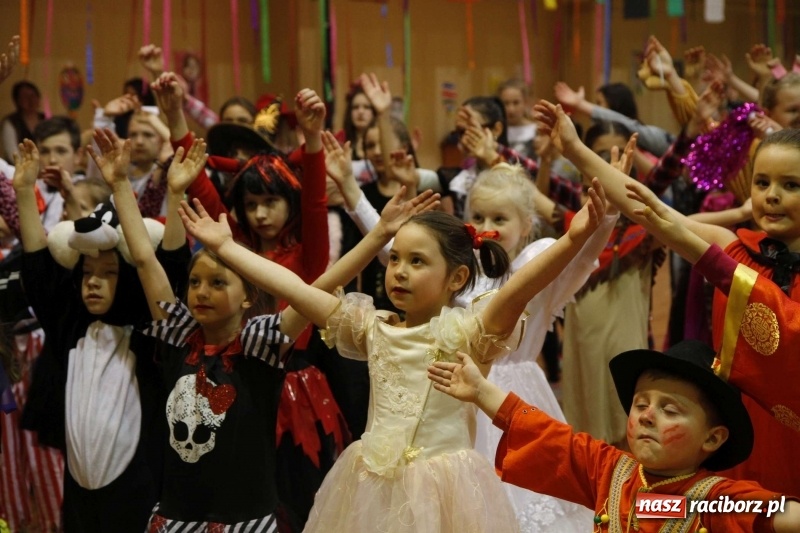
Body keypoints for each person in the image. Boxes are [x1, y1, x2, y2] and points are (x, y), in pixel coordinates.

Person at [237, 175, 607, 532]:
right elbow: (293, 288)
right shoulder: (373, 328)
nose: (398, 271)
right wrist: (225, 248)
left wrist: (574, 239)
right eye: (395, 259)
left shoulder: (467, 334)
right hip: (371, 487)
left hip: (447, 491)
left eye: (417, 262)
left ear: (457, 278)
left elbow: (520, 291)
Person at [534, 99, 800, 496]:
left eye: (790, 185)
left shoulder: (729, 260)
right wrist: (574, 149)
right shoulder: (735, 248)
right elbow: (647, 207)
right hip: (737, 423)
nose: (771, 196)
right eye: (762, 183)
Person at [13, 133, 200, 531]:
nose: (93, 283)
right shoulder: (70, 326)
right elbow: (38, 267)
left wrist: (173, 195)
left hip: (140, 491)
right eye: (88, 274)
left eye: (109, 274)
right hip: (80, 496)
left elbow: (168, 266)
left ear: (128, 281)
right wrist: (25, 191)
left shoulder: (151, 333)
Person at [428, 340, 800, 532]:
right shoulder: (609, 471)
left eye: (670, 410)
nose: (648, 416)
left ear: (713, 439)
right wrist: (480, 391)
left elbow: (776, 513)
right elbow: (544, 433)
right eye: (641, 405)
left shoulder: (713, 502)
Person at [463, 164, 616, 531]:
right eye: (478, 215)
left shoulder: (536, 267)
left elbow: (580, 258)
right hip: (465, 391)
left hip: (517, 394)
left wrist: (606, 216)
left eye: (499, 217)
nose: (487, 225)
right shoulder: (460, 273)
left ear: (526, 226)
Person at [2, 81, 44, 161]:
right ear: (17, 101)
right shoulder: (11, 122)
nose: (30, 100)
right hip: (19, 168)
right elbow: (13, 154)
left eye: (33, 96)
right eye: (25, 97)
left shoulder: (46, 119)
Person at [498, 79, 536, 159]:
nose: (511, 109)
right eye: (506, 103)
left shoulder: (536, 131)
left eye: (516, 103)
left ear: (525, 103)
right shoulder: (497, 132)